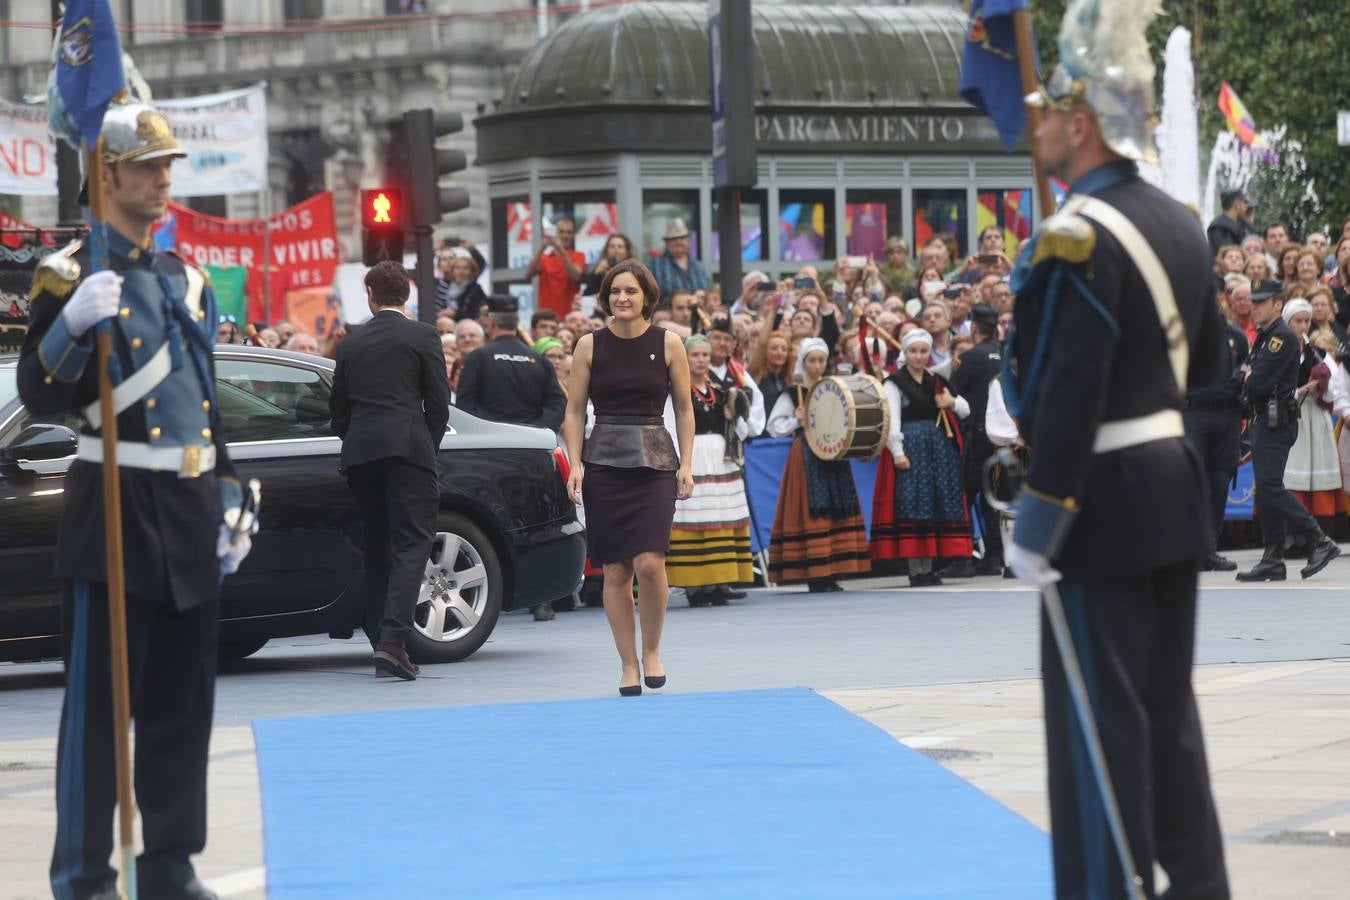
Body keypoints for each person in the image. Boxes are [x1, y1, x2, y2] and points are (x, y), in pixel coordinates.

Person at [1007, 9, 1231, 895]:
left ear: (1083, 121)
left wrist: (1039, 516)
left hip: (1097, 501)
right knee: (1166, 714)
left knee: (1100, 726)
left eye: (1047, 109)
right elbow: (1207, 369)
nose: (1036, 124)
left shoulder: (1079, 235)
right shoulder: (1179, 223)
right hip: (1170, 491)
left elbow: (1068, 390)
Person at [18, 102, 251, 900]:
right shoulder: (72, 275)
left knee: (183, 705)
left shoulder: (187, 279)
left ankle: (170, 866)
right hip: (113, 499)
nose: (163, 179)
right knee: (96, 713)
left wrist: (227, 494)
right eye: (148, 166)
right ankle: (84, 877)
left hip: (186, 505)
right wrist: (70, 329)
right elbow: (40, 395)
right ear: (105, 173)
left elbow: (207, 400)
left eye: (167, 166)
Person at [563, 260, 694, 695]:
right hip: (604, 464)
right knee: (616, 570)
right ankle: (628, 664)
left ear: (646, 297)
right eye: (615, 291)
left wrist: (688, 464)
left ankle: (652, 650)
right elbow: (575, 412)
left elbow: (684, 409)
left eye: (631, 291)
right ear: (605, 298)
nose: (622, 298)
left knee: (650, 563)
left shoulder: (669, 343)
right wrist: (576, 465)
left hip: (655, 463)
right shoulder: (589, 345)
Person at [330, 261, 449, 679]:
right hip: (409, 450)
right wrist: (425, 447)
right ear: (408, 294)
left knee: (377, 545)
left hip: (361, 454)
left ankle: (379, 635)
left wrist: (357, 440)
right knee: (413, 544)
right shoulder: (423, 335)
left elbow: (338, 411)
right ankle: (393, 642)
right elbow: (438, 403)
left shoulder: (350, 343)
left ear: (370, 294)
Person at [1235, 280, 1341, 580]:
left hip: (1275, 420)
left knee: (1269, 486)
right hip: (1265, 420)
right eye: (1252, 301)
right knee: (1266, 490)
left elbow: (1255, 384)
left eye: (1261, 301)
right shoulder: (1266, 337)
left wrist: (1247, 378)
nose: (1254, 306)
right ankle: (1273, 556)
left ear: (1277, 304)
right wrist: (1245, 378)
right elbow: (1242, 375)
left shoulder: (1280, 337)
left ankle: (1318, 538)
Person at [765, 337, 871, 591]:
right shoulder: (793, 392)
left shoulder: (836, 387)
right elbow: (773, 427)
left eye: (821, 360)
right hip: (807, 455)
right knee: (813, 509)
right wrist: (795, 420)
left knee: (837, 507)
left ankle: (832, 569)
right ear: (803, 362)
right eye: (812, 360)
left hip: (834, 453)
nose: (817, 365)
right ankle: (815, 572)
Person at [870, 329, 973, 586]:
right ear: (905, 353)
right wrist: (898, 452)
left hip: (937, 450)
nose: (918, 356)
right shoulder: (894, 382)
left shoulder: (936, 380)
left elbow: (966, 409)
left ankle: (928, 569)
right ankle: (916, 570)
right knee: (913, 504)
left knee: (932, 504)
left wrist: (950, 402)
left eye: (923, 351)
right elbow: (892, 420)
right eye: (914, 351)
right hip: (912, 446)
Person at [666, 334, 755, 606]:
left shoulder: (720, 388)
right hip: (692, 454)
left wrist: (733, 415)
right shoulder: (674, 389)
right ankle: (694, 586)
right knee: (693, 518)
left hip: (720, 458)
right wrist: (681, 460)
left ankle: (719, 580)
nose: (702, 360)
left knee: (721, 515)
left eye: (705, 355)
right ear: (684, 358)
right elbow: (670, 424)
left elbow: (744, 430)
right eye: (695, 355)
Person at [1184, 287, 1250, 572]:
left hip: (1227, 415)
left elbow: (1246, 370)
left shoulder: (1235, 336)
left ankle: (1210, 548)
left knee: (1220, 480)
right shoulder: (1184, 335)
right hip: (1194, 412)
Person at [945, 304, 1005, 576]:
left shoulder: (972, 358)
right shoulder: (1004, 355)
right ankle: (994, 556)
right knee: (992, 498)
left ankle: (962, 557)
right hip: (999, 436)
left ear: (974, 328)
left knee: (963, 497)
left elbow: (953, 392)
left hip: (976, 434)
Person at [456, 295, 567, 430]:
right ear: (516, 322)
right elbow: (556, 405)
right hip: (532, 442)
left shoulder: (477, 358)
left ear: (491, 321)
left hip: (490, 441)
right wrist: (536, 429)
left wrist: (491, 426)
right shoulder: (539, 359)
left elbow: (464, 406)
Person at [1279, 298, 1342, 535]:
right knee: (1293, 477)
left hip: (1315, 417)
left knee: (1317, 475)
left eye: (1306, 321)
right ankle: (1292, 536)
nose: (1303, 326)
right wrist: (1299, 391)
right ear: (1288, 322)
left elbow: (1337, 388)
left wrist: (1322, 390)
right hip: (1292, 417)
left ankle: (1317, 535)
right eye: (1298, 321)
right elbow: (1271, 385)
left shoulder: (1318, 353)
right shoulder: (1281, 351)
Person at [525, 215, 585, 319]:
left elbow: (575, 276)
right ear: (555, 233)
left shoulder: (579, 256)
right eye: (561, 232)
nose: (565, 235)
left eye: (569, 232)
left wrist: (561, 250)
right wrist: (542, 247)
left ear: (573, 235)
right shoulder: (544, 258)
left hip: (570, 318)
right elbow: (528, 274)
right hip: (546, 317)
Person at [648, 218, 710, 298]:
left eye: (682, 237)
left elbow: (707, 291)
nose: (679, 241)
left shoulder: (698, 266)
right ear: (667, 242)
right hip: (665, 309)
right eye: (674, 238)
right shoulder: (654, 265)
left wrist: (703, 295)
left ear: (688, 240)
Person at [438, 240, 488, 321]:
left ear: (472, 271)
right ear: (452, 271)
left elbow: (476, 315)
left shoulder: (475, 290)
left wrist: (454, 314)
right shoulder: (447, 285)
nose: (461, 272)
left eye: (465, 268)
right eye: (457, 268)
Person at [582, 232, 636, 297]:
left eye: (620, 246)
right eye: (612, 246)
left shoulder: (634, 270)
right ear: (606, 250)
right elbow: (587, 293)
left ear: (627, 251)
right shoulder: (599, 268)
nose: (616, 250)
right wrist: (597, 273)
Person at [1206, 188, 1253, 257]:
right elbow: (1228, 254)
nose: (1246, 207)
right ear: (1237, 204)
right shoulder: (1220, 227)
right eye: (1244, 202)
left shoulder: (1241, 224)